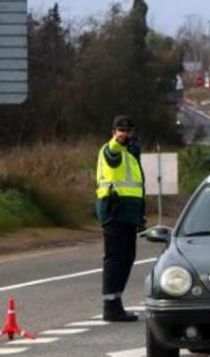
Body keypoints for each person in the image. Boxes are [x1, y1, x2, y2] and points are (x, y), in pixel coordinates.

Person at [95, 115, 145, 322]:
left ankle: (116, 303)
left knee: (127, 257)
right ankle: (111, 306)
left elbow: (137, 188)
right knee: (116, 258)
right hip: (114, 211)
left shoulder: (131, 153)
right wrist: (118, 143)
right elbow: (112, 153)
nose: (124, 134)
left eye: (128, 131)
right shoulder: (111, 149)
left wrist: (140, 216)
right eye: (120, 130)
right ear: (113, 132)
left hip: (128, 213)